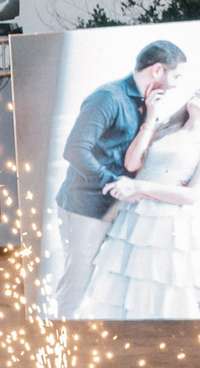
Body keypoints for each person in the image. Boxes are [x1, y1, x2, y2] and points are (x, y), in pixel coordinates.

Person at [77, 83, 200, 320]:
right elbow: (132, 164)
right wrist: (150, 118)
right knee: (121, 288)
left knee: (156, 290)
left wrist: (138, 187)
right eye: (199, 89)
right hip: (133, 217)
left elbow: (192, 195)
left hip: (167, 224)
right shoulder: (164, 130)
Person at [53, 41, 186, 317]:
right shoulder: (108, 97)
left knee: (96, 281)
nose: (176, 84)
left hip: (113, 208)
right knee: (78, 278)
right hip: (85, 207)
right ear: (158, 70)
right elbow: (75, 150)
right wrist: (114, 184)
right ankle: (57, 338)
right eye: (176, 76)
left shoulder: (148, 104)